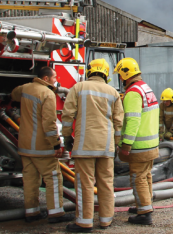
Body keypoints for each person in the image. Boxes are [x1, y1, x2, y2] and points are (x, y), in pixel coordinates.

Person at [62, 59, 123, 232]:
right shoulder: (113, 92)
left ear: (90, 71)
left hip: (84, 146)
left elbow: (67, 115)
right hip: (106, 146)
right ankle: (106, 220)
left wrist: (67, 137)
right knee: (106, 183)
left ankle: (84, 222)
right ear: (106, 74)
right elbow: (118, 121)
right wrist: (115, 144)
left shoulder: (78, 88)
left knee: (85, 184)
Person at [18, 67, 73, 224]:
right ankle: (56, 213)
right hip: (41, 147)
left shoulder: (25, 88)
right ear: (46, 78)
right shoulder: (48, 94)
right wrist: (56, 144)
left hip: (25, 146)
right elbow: (49, 123)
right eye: (54, 77)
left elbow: (14, 94)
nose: (56, 80)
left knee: (30, 180)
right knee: (53, 178)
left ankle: (31, 212)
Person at [114, 58, 160, 226]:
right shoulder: (145, 88)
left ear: (125, 75)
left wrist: (126, 144)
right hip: (151, 144)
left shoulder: (133, 93)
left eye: (120, 75)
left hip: (139, 146)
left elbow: (133, 121)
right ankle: (145, 205)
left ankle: (144, 213)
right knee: (146, 175)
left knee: (138, 178)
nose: (120, 78)